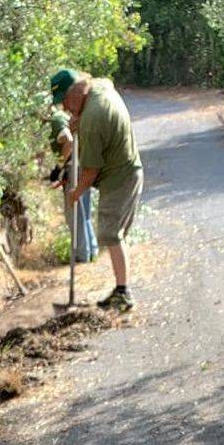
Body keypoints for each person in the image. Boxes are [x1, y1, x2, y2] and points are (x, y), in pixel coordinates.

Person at [49, 69, 143, 311]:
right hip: (125, 172)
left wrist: (75, 193)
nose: (65, 109)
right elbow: (106, 82)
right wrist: (77, 119)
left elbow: (90, 171)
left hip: (119, 179)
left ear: (76, 92)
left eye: (66, 102)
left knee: (111, 235)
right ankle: (120, 291)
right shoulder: (99, 88)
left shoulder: (93, 119)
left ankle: (123, 294)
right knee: (111, 235)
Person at [46, 105, 98, 263]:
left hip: (74, 170)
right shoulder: (61, 117)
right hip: (83, 166)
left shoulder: (56, 120)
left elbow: (68, 140)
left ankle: (82, 255)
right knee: (84, 214)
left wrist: (59, 167)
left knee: (75, 216)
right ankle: (91, 251)